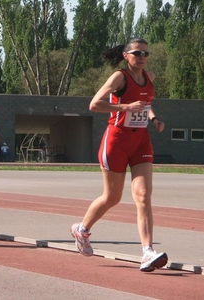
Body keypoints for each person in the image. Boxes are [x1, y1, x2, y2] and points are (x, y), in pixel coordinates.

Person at [70, 37, 168, 272]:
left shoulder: (150, 77)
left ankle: (147, 252)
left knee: (143, 196)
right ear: (126, 55)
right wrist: (124, 107)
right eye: (137, 53)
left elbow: (145, 102)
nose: (142, 58)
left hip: (141, 141)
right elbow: (94, 104)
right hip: (116, 140)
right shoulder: (119, 77)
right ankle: (82, 229)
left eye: (146, 54)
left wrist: (153, 118)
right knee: (112, 197)